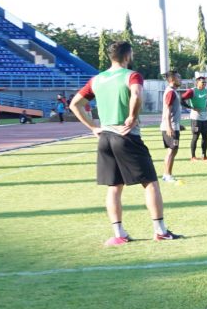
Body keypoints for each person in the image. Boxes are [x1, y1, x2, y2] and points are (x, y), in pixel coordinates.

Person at [68, 40, 182, 245]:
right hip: (127, 136)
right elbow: (137, 94)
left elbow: (75, 104)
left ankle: (119, 234)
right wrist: (131, 116)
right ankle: (160, 230)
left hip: (105, 138)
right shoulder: (132, 75)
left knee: (114, 187)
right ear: (128, 56)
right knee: (150, 183)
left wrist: (93, 127)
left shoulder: (97, 79)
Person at [158, 73, 183, 182]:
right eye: (179, 77)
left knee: (173, 150)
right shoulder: (170, 92)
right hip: (169, 126)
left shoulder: (174, 91)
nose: (180, 79)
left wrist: (178, 125)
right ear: (172, 79)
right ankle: (167, 175)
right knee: (172, 150)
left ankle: (167, 174)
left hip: (173, 125)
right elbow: (167, 110)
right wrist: (169, 126)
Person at [184, 80, 207, 160]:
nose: (204, 83)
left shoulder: (206, 91)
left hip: (205, 118)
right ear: (197, 83)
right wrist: (191, 108)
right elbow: (181, 99)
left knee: (205, 137)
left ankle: (204, 155)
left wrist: (206, 105)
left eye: (205, 82)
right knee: (195, 137)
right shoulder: (192, 91)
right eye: (202, 82)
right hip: (196, 118)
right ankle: (193, 156)